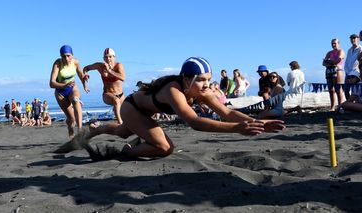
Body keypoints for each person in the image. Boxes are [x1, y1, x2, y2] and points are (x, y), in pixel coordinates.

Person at [55, 57, 285, 159]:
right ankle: (126, 151)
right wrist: (237, 129)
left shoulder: (201, 91)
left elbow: (227, 113)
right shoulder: (174, 91)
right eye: (202, 80)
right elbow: (194, 122)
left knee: (123, 131)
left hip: (143, 112)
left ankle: (97, 129)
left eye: (209, 79)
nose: (206, 85)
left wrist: (256, 123)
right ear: (187, 79)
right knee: (165, 147)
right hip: (132, 107)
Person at [50, 45, 89, 138]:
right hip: (60, 92)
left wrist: (85, 83)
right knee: (71, 119)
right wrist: (64, 85)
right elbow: (51, 83)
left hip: (72, 88)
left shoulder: (75, 62)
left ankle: (80, 131)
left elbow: (80, 74)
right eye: (64, 56)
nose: (66, 58)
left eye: (68, 55)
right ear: (60, 56)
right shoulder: (57, 64)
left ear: (72, 55)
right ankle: (70, 127)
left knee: (76, 101)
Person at [83, 48, 126, 124]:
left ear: (114, 57)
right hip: (107, 94)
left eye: (110, 56)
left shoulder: (119, 66)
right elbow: (86, 68)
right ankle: (120, 123)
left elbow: (123, 78)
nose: (108, 59)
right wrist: (85, 74)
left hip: (121, 95)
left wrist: (110, 71)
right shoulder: (100, 66)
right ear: (103, 58)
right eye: (105, 57)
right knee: (116, 100)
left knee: (131, 108)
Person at [323, 38, 346, 111]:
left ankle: (340, 106)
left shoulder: (341, 51)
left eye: (335, 43)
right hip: (329, 71)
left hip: (337, 71)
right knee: (331, 90)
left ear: (338, 43)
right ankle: (332, 107)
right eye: (332, 43)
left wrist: (330, 62)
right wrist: (330, 62)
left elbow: (338, 60)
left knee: (338, 89)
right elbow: (324, 63)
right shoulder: (329, 52)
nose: (333, 45)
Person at [344, 34, 362, 100]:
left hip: (356, 73)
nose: (353, 40)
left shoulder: (361, 48)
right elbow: (347, 61)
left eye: (354, 38)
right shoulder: (349, 50)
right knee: (346, 90)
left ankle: (353, 106)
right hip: (348, 72)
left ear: (358, 39)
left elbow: (359, 61)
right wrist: (346, 70)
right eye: (351, 38)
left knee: (355, 91)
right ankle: (348, 106)